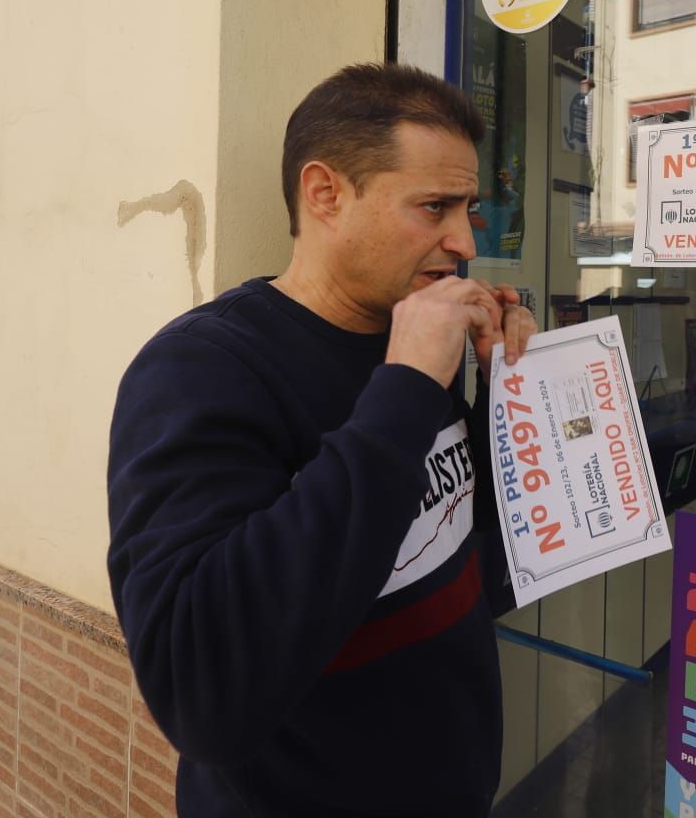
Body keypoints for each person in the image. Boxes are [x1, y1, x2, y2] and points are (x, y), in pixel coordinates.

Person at [107, 63, 536, 815]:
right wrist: (403, 390)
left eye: (467, 208)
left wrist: (512, 400)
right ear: (325, 193)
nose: (464, 240)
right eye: (434, 206)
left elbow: (461, 563)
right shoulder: (200, 369)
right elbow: (201, 692)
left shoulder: (419, 343)